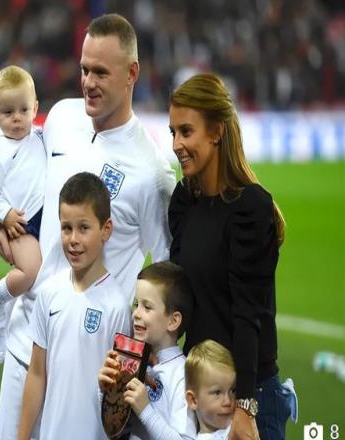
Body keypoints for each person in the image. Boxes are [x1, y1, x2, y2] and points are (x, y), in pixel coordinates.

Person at [0, 13, 176, 440]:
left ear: (132, 74)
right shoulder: (61, 118)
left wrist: (143, 362)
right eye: (84, 69)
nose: (88, 82)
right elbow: (23, 175)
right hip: (27, 344)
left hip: (90, 372)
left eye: (101, 73)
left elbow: (166, 274)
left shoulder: (151, 174)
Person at [168, 72, 297, 440]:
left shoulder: (250, 207)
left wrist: (244, 405)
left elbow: (247, 314)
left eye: (186, 131)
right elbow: (180, 301)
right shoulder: (184, 201)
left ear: (216, 131)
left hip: (247, 401)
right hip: (199, 398)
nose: (176, 144)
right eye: (172, 132)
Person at [17, 172, 132, 440]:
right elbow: (36, 375)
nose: (73, 239)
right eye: (66, 228)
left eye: (83, 228)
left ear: (106, 229)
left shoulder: (117, 307)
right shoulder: (49, 293)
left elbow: (118, 397)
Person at [0, 65, 45, 364]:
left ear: (35, 109)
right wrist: (4, 216)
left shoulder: (42, 137)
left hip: (48, 218)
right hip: (21, 223)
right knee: (30, 273)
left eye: (23, 110)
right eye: (8, 112)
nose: (17, 118)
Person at [98, 261, 197, 440]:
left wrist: (145, 411)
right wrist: (106, 392)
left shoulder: (182, 374)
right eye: (136, 304)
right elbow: (115, 432)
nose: (136, 313)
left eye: (147, 307)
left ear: (173, 321)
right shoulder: (131, 363)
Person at [184, 339, 237, 440]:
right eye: (217, 392)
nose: (228, 401)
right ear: (193, 400)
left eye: (233, 391)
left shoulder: (240, 426)